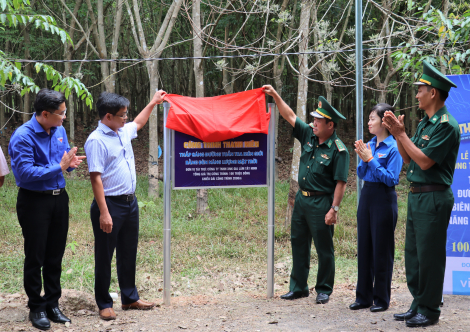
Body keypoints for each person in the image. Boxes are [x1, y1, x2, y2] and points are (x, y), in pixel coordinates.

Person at [382, 61, 459, 328]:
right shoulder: (426, 124)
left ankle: (430, 309)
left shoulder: (446, 125)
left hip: (434, 197)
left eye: (420, 90)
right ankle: (418, 303)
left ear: (433, 93)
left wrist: (402, 134)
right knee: (414, 255)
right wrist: (398, 135)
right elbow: (409, 161)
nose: (417, 95)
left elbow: (425, 162)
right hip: (417, 196)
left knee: (430, 256)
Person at [263, 85, 349, 304]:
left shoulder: (339, 150)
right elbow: (289, 115)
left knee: (324, 248)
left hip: (322, 202)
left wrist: (334, 209)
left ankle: (324, 289)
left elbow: (341, 182)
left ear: (331, 124)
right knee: (298, 243)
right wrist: (275, 95)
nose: (315, 123)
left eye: (319, 120)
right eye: (315, 119)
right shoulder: (309, 135)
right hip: (301, 200)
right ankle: (299, 287)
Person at [84, 90, 166, 320]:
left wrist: (152, 102)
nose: (126, 118)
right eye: (122, 115)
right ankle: (104, 303)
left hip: (130, 203)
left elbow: (138, 123)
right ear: (108, 116)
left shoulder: (121, 131)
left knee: (128, 252)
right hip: (109, 204)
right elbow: (95, 178)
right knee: (104, 255)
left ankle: (129, 297)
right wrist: (104, 212)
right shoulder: (96, 140)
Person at [8, 89, 86, 330]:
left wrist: (69, 164)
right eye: (61, 113)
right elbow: (25, 174)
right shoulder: (22, 137)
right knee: (36, 256)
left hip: (59, 199)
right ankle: (36, 306)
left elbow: (64, 160)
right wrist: (59, 167)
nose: (64, 117)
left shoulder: (59, 130)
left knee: (55, 255)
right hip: (34, 202)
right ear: (45, 113)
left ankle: (53, 303)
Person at [349, 104, 403, 313]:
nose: (369, 122)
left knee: (381, 250)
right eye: (369, 118)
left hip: (384, 198)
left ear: (384, 122)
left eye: (372, 118)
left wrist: (371, 160)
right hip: (367, 195)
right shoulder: (370, 144)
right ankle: (363, 297)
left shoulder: (394, 147)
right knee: (364, 247)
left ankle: (381, 299)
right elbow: (361, 174)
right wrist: (364, 159)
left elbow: (391, 179)